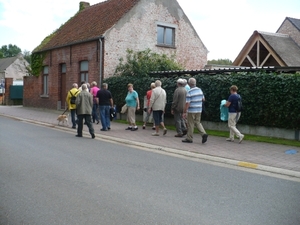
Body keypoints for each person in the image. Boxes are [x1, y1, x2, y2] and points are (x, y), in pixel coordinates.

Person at [182, 78, 208, 144]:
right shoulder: (200, 90)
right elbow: (203, 99)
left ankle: (189, 138)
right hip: (199, 109)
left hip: (192, 110)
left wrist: (184, 111)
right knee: (198, 122)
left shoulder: (189, 92)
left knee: (190, 124)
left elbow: (187, 103)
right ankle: (203, 134)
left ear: (189, 84)